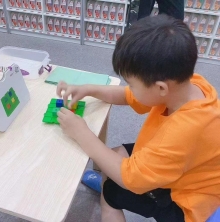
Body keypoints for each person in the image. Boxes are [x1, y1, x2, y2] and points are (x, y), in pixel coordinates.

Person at [56, 15, 220, 222]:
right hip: (179, 162)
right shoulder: (185, 84)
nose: (130, 89)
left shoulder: (185, 129)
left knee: (112, 193)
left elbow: (131, 179)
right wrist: (89, 89)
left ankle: (108, 194)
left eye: (132, 84)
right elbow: (127, 95)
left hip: (184, 202)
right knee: (114, 155)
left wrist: (82, 134)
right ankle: (108, 179)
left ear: (160, 88)